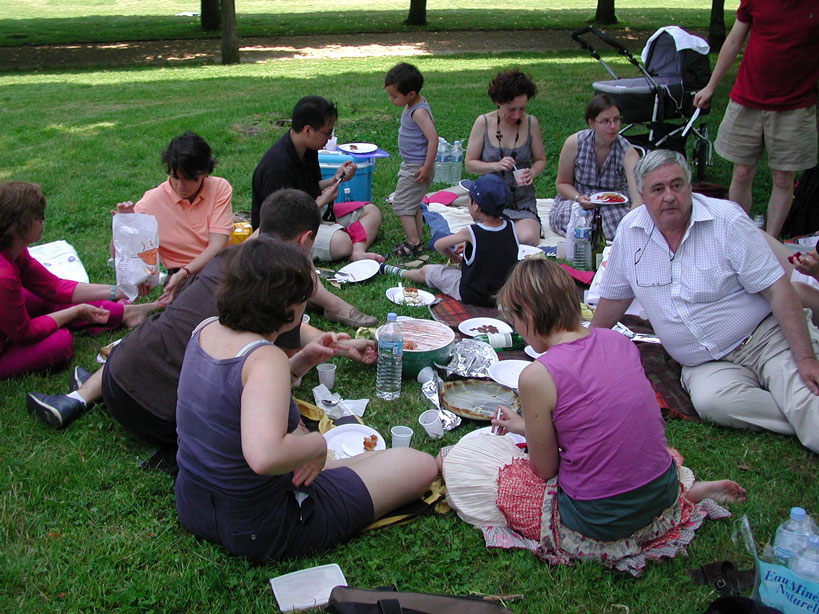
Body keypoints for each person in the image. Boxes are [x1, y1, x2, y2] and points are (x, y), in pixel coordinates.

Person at [441, 257, 746, 573]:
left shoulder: (537, 376)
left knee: (476, 468)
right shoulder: (619, 341)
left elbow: (544, 469)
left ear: (528, 315)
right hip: (660, 492)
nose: (516, 328)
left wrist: (531, 435)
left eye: (513, 319)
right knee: (633, 455)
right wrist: (524, 425)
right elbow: (595, 421)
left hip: (597, 519)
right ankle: (684, 496)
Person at [26, 189, 377, 441]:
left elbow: (291, 330)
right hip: (169, 420)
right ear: (305, 239)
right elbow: (280, 365)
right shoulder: (286, 283)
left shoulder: (224, 259)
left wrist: (341, 346)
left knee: (163, 329)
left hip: (118, 382)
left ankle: (77, 398)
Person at [174, 237, 438, 562]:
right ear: (289, 309)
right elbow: (264, 457)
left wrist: (303, 360)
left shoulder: (206, 329)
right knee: (419, 465)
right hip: (260, 525)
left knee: (367, 459)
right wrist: (317, 445)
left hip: (195, 504)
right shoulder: (265, 357)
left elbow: (244, 397)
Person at [591, 149, 819, 453]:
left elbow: (778, 290)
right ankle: (794, 411)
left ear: (690, 186)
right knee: (713, 403)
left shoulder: (726, 220)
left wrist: (805, 359)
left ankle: (800, 407)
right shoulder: (630, 232)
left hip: (764, 338)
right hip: (704, 363)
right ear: (642, 196)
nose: (669, 197)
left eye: (677, 185)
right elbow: (614, 299)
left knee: (807, 398)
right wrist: (584, 347)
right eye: (657, 189)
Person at [1, 182, 155, 384]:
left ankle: (125, 313)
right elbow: (25, 333)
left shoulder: (14, 250)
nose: (43, 220)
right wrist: (75, 312)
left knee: (42, 299)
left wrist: (118, 291)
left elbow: (53, 288)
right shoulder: (4, 277)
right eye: (39, 217)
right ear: (16, 229)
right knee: (60, 342)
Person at [692, 0, 819, 238]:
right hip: (747, 99)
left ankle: (770, 243)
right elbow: (733, 41)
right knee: (741, 173)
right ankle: (739, 237)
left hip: (795, 106)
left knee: (783, 180)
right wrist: (710, 86)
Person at [251, 95, 383, 263]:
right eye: (327, 133)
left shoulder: (308, 148)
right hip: (286, 232)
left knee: (372, 211)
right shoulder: (277, 166)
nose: (329, 139)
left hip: (313, 213)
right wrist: (321, 202)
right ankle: (343, 239)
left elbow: (313, 186)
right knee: (341, 243)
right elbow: (282, 221)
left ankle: (357, 250)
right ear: (307, 130)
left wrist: (335, 179)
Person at [113, 132, 233, 303]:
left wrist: (185, 272)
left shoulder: (219, 187)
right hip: (183, 277)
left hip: (218, 266)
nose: (180, 185)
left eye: (189, 179)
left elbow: (217, 245)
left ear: (205, 172)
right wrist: (123, 225)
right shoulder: (150, 203)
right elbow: (121, 254)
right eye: (175, 177)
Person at [380, 174, 518, 307]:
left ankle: (395, 271)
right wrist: (470, 246)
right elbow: (495, 248)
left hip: (471, 295)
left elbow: (439, 245)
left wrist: (455, 258)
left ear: (475, 205)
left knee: (429, 271)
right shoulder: (510, 226)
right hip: (502, 294)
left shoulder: (471, 232)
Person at [464, 69, 546, 246]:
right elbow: (470, 164)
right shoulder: (483, 123)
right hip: (490, 200)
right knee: (495, 236)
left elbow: (540, 160)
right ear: (498, 102)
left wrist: (532, 172)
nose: (517, 115)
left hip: (521, 200)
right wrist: (495, 166)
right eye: (511, 109)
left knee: (527, 238)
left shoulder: (530, 123)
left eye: (522, 109)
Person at [548, 93, 642, 240]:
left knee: (615, 222)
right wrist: (578, 198)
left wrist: (630, 222)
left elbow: (638, 196)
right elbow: (562, 183)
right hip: (579, 199)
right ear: (591, 123)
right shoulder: (574, 143)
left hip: (612, 205)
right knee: (569, 215)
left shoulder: (627, 151)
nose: (613, 126)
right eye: (605, 121)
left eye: (616, 120)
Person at [384, 62, 438, 259]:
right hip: (411, 165)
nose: (391, 99)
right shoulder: (412, 105)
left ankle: (413, 243)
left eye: (394, 96)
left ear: (411, 93)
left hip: (417, 167)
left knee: (401, 205)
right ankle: (417, 241)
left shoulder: (418, 112)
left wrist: (426, 167)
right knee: (412, 204)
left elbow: (433, 139)